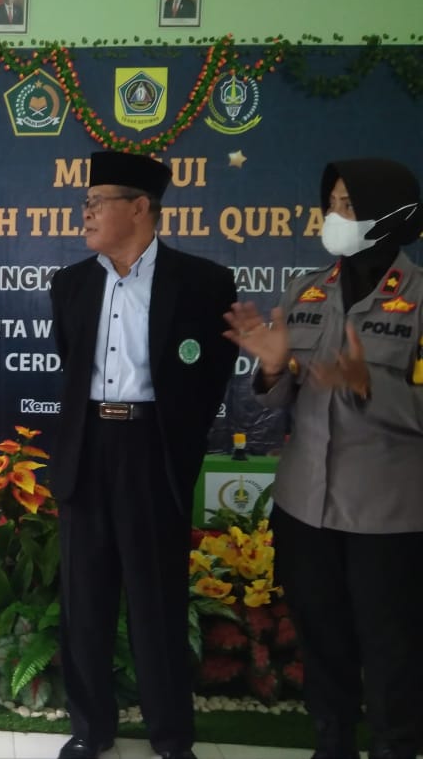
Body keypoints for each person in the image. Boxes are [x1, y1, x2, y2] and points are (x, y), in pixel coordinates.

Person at [225, 159, 423, 759]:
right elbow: (276, 403)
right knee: (321, 638)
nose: (335, 216)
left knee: (391, 648)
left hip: (386, 515)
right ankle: (331, 744)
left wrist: (368, 385)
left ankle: (395, 747)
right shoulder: (307, 289)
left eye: (348, 204)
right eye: (332, 202)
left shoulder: (419, 299)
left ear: (388, 214)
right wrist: (271, 367)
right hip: (305, 505)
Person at [49, 152, 237, 759]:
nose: (86, 213)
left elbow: (210, 379)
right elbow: (70, 364)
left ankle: (170, 736)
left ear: (140, 208)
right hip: (88, 448)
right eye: (85, 203)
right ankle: (90, 728)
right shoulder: (71, 284)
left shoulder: (203, 283)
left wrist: (176, 450)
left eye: (97, 202)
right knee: (85, 601)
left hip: (151, 449)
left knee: (157, 599)